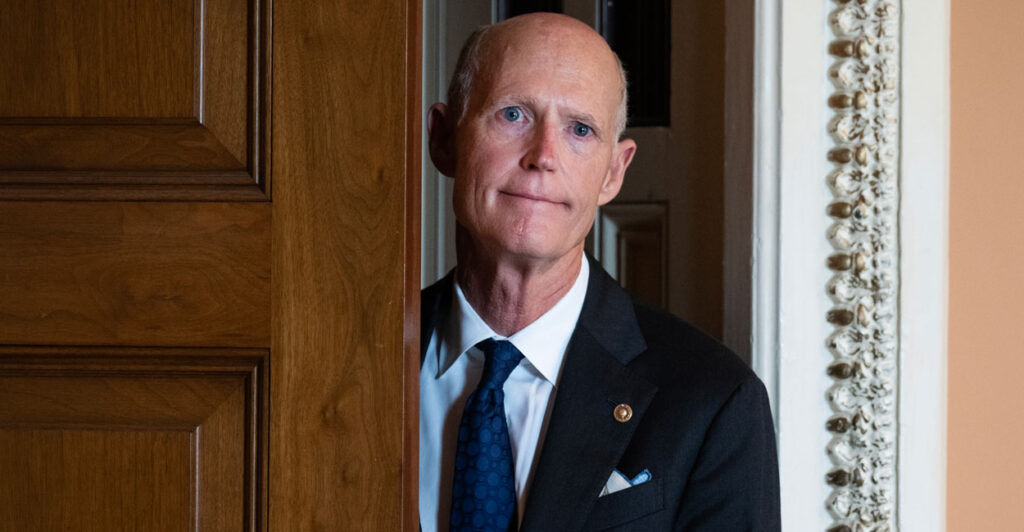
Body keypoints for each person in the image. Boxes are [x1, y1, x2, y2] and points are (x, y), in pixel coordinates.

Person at [420, 12, 780, 531]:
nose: (543, 156)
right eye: (513, 114)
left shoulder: (715, 402)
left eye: (580, 129)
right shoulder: (350, 356)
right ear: (443, 139)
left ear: (614, 171)